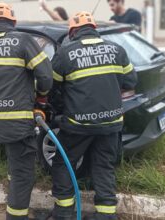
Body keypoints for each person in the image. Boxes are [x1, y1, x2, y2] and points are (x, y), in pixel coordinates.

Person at [49, 11, 137, 220]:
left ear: (72, 32)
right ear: (95, 29)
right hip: (111, 123)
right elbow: (130, 82)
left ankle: (64, 211)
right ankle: (106, 214)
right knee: (103, 165)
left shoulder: (65, 53)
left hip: (78, 125)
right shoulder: (118, 50)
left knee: (63, 162)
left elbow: (51, 87)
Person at [0, 3, 53, 219]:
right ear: (14, 22)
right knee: (24, 174)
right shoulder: (23, 40)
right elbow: (46, 76)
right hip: (18, 118)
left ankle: (14, 199)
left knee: (15, 161)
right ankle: (16, 215)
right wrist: (41, 97)